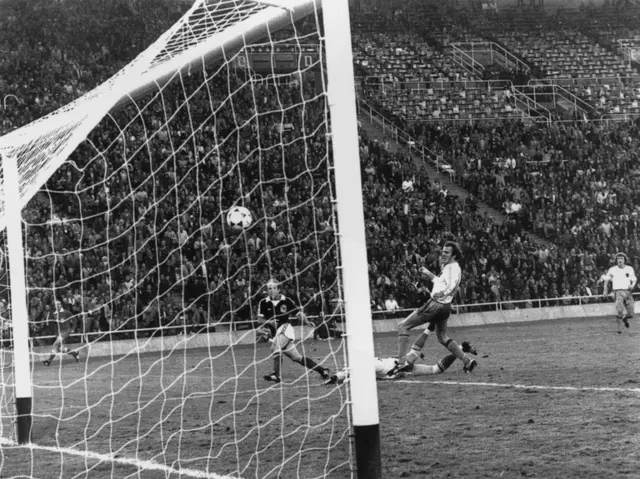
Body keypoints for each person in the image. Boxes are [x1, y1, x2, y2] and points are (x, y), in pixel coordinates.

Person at [395, 241, 477, 373]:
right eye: (443, 251)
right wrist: (429, 274)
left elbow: (452, 285)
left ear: (454, 255)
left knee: (403, 326)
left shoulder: (452, 268)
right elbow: (441, 283)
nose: (443, 254)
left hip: (435, 305)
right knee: (442, 338)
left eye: (447, 252)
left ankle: (399, 364)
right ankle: (468, 361)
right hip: (445, 307)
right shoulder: (450, 267)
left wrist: (442, 293)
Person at [257, 280, 330, 384]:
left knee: (275, 347)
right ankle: (322, 370)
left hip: (286, 328)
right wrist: (269, 321)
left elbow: (298, 313)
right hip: (276, 334)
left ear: (278, 289)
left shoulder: (286, 300)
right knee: (297, 358)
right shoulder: (263, 302)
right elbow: (259, 320)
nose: (271, 290)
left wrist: (306, 321)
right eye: (269, 288)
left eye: (274, 288)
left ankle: (276, 375)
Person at [324, 341, 478, 385]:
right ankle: (460, 348)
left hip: (400, 368)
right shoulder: (366, 362)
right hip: (399, 365)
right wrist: (337, 377)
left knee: (432, 368)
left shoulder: (368, 365)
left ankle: (417, 351)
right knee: (435, 370)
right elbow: (350, 371)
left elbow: (359, 376)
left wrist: (342, 379)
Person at [603, 252, 637, 334]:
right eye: (618, 259)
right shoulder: (613, 269)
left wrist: (632, 285)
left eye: (621, 258)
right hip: (618, 292)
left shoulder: (629, 268)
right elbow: (606, 280)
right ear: (616, 260)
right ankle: (619, 328)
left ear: (625, 260)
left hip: (628, 292)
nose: (620, 260)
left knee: (631, 314)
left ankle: (625, 318)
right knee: (619, 311)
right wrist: (605, 290)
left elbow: (634, 279)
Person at [42, 300, 80, 366]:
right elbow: (55, 323)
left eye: (59, 304)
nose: (58, 305)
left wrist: (73, 328)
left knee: (55, 344)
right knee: (60, 349)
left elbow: (74, 319)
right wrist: (55, 331)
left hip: (66, 331)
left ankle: (48, 361)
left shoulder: (66, 312)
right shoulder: (54, 314)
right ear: (55, 306)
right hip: (59, 332)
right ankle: (75, 353)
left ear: (61, 305)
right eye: (56, 305)